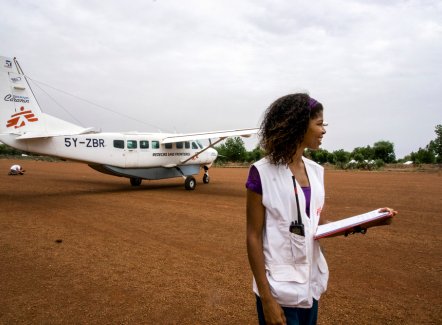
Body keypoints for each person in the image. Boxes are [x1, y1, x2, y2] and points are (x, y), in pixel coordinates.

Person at [246, 93, 396, 325]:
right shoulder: (261, 172)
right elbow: (253, 236)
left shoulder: (316, 171)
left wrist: (368, 222)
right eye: (319, 124)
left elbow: (317, 225)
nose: (323, 130)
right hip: (278, 290)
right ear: (298, 126)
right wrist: (266, 299)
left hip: (310, 285)